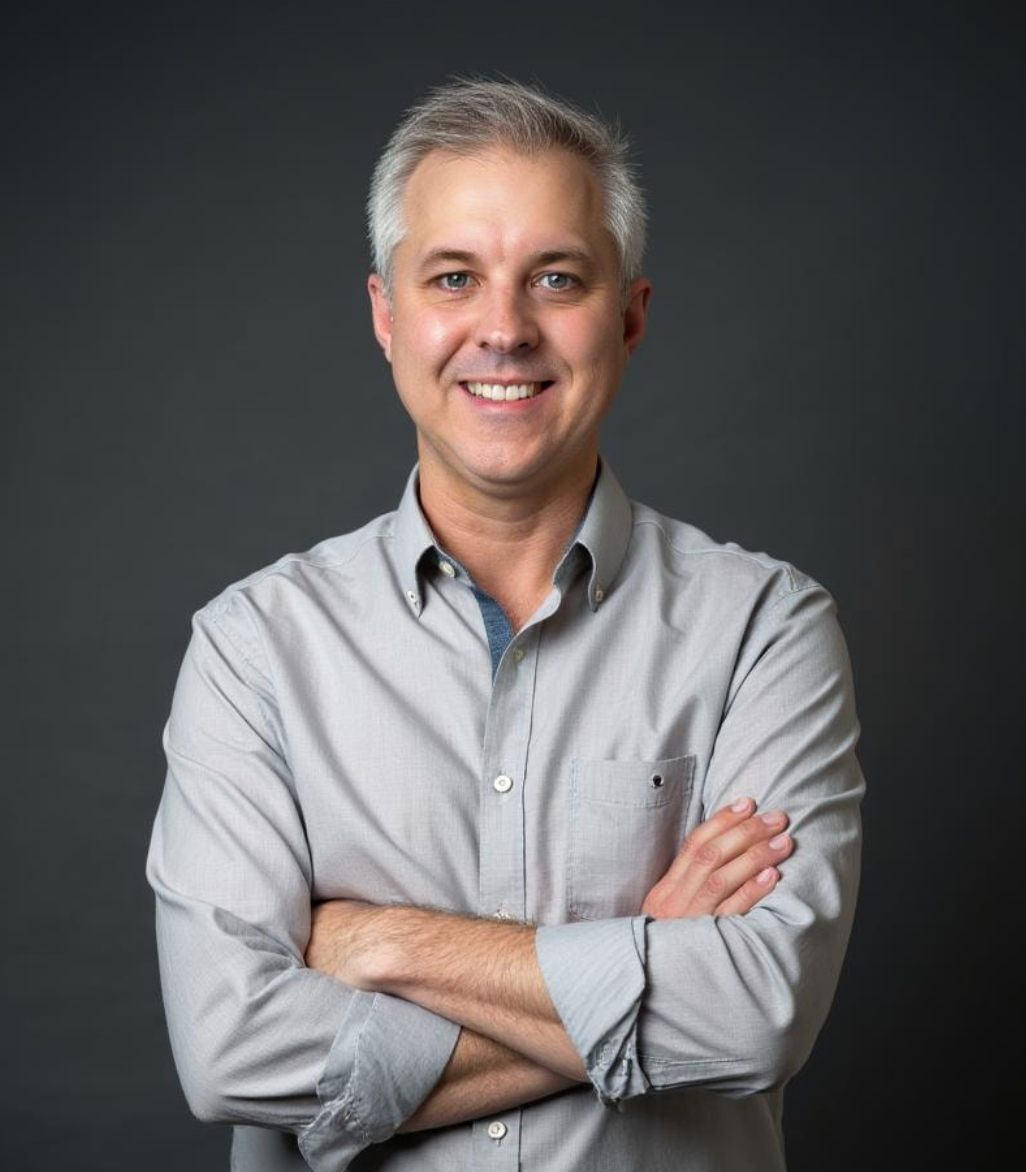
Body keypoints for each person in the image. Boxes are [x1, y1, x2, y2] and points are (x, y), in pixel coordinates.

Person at [146, 77, 865, 1171]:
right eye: (454, 277)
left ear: (629, 316)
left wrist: (382, 942)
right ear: (387, 315)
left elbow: (755, 1017)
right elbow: (229, 1051)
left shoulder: (765, 630)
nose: (504, 329)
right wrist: (651, 960)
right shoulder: (254, 648)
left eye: (557, 278)